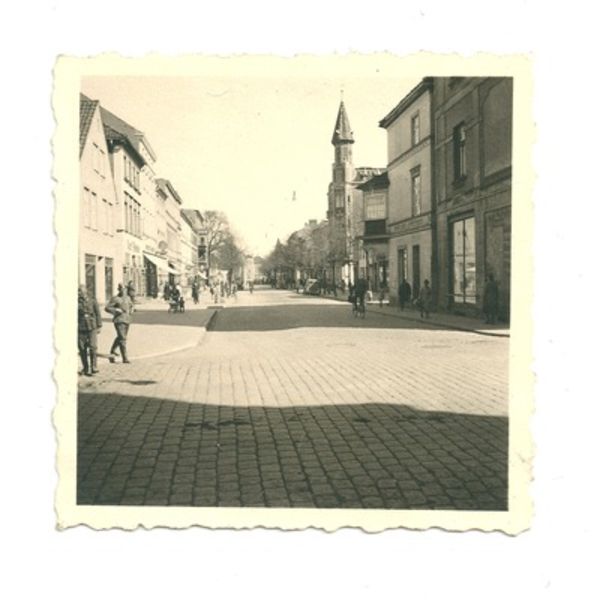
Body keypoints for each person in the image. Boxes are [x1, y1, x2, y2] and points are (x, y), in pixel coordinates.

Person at [77, 285, 102, 376]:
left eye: (81, 291)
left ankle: (94, 367)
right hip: (80, 327)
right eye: (79, 291)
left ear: (85, 292)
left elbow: (98, 313)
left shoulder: (92, 300)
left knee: (93, 347)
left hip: (92, 326)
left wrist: (99, 325)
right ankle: (85, 368)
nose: (79, 293)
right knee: (82, 348)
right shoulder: (76, 302)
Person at [106, 283, 133, 363]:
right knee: (122, 338)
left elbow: (131, 305)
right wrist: (116, 310)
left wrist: (131, 310)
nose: (123, 291)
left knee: (120, 338)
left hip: (127, 320)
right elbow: (107, 308)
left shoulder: (128, 298)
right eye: (121, 289)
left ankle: (112, 351)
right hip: (119, 320)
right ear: (119, 290)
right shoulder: (115, 298)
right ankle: (125, 358)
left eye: (124, 289)